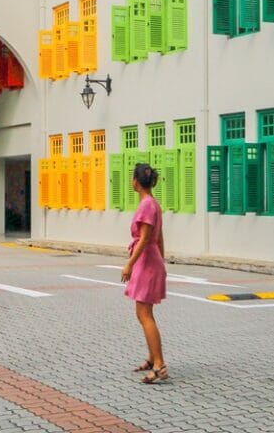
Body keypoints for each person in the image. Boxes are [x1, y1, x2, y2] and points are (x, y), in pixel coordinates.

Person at [120, 162, 168, 384]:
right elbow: (159, 237)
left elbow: (147, 237)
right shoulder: (152, 203)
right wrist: (162, 260)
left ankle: (159, 365)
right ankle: (152, 358)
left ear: (136, 182)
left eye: (132, 177)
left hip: (146, 261)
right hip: (151, 260)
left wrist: (130, 263)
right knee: (145, 313)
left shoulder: (146, 205)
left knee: (144, 315)